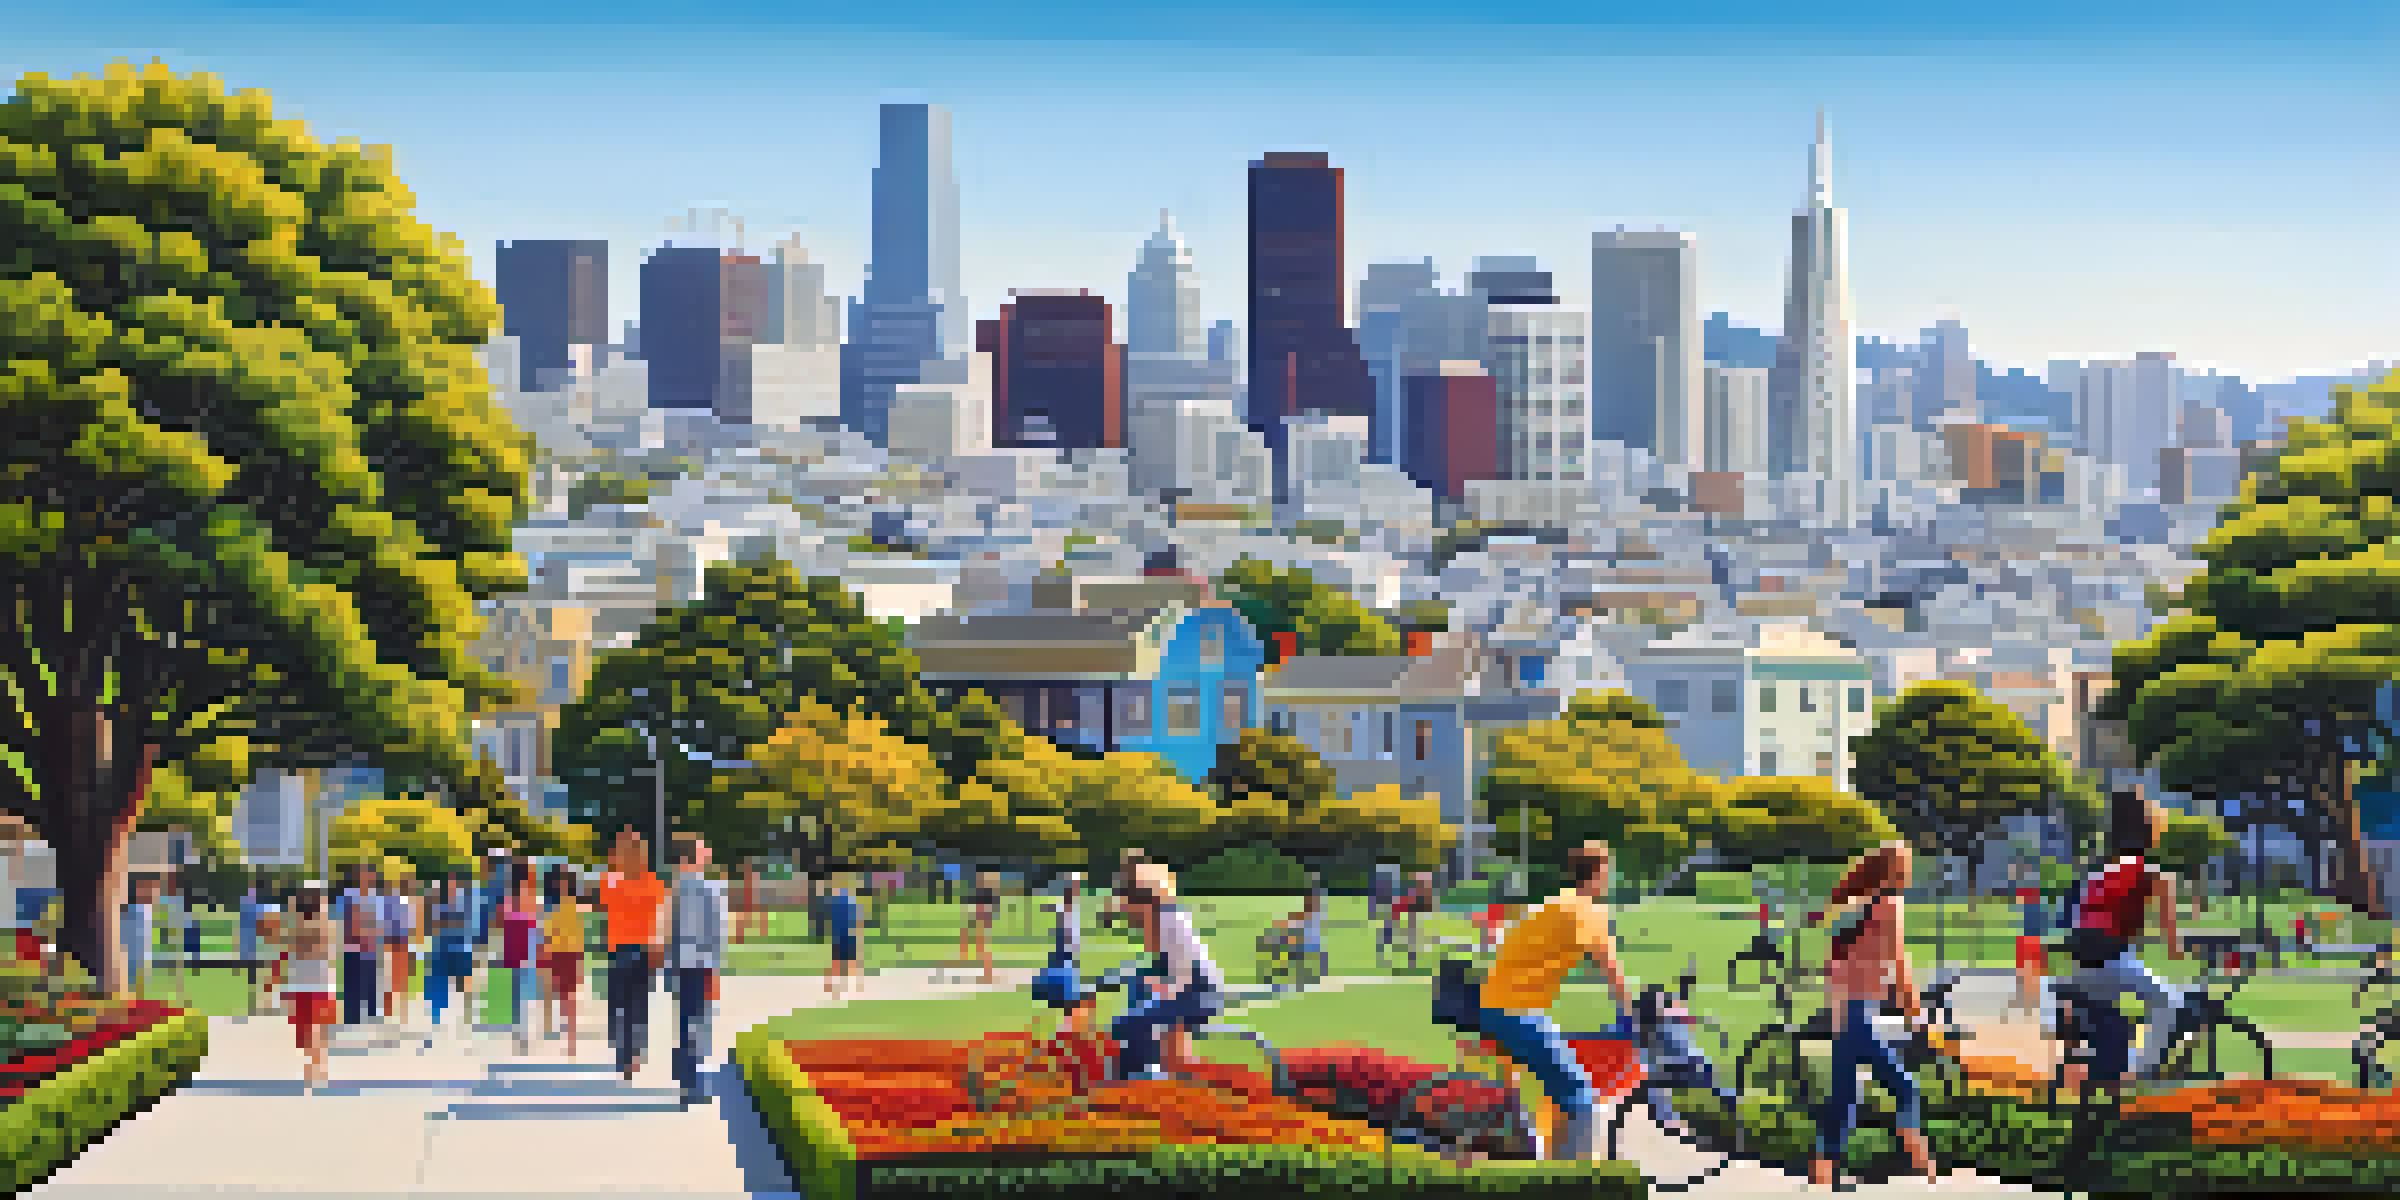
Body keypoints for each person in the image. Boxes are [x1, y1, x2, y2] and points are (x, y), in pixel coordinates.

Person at [1478, 841, 1636, 1162]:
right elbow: (1614, 977)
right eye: (1608, 869)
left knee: (1532, 1094)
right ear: (1599, 872)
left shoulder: (1555, 901)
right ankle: (1567, 1179)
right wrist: (1638, 1011)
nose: (1610, 877)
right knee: (1581, 1096)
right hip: (1517, 1011)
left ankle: (1536, 1153)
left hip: (1495, 1004)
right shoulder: (1590, 912)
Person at [1805, 842, 1939, 1187]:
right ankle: (1923, 1166)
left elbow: (1831, 966)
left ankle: (1821, 1176)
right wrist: (1916, 1014)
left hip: (1841, 1013)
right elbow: (1899, 964)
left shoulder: (1849, 909)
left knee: (1844, 1098)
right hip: (1860, 1014)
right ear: (1895, 871)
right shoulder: (1891, 906)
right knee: (1905, 1087)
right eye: (1906, 866)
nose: (1909, 873)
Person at [2046, 789, 2184, 1087]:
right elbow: (2172, 941)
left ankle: (2106, 1076)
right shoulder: (2154, 874)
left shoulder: (2098, 871)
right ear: (2149, 829)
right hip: (2110, 962)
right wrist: (2187, 948)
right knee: (2169, 1003)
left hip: (2080, 962)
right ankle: (2140, 1075)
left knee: (2111, 1027)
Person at [1111, 862, 1225, 1081]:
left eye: (1129, 903)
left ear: (1144, 902)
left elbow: (1183, 978)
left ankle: (1140, 1076)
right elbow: (1166, 970)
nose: (1127, 912)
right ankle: (1147, 1069)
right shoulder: (1161, 920)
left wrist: (1157, 989)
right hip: (1192, 990)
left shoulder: (1169, 922)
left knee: (1129, 1022)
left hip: (1200, 994)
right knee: (1136, 996)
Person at [597, 831, 667, 1083]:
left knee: (619, 1006)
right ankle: (633, 1053)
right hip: (644, 950)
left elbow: (605, 900)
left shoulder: (612, 880)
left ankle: (625, 1056)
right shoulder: (654, 883)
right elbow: (661, 919)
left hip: (622, 951)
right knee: (638, 1006)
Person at [666, 833, 730, 1107]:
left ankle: (684, 1080)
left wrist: (670, 967)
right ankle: (694, 1083)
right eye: (705, 850)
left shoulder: (676, 891)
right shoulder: (712, 889)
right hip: (703, 964)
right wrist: (716, 970)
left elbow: (670, 933)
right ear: (696, 857)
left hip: (682, 964)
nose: (709, 853)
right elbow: (718, 934)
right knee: (700, 1023)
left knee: (683, 1022)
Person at [280, 882, 338, 1092]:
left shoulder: (297, 927)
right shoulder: (325, 924)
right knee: (318, 1027)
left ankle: (313, 1066)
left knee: (306, 1028)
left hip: (303, 981)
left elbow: (289, 950)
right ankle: (318, 1065)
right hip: (320, 981)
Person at [1033, 873, 1095, 1034]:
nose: (1075, 890)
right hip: (1064, 953)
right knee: (1065, 985)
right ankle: (1064, 1018)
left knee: (1067, 985)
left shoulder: (1073, 908)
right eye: (1073, 886)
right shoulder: (1065, 907)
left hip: (1067, 954)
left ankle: (1066, 1020)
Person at [540, 866, 587, 1056]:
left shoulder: (573, 908)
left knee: (569, 997)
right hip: (557, 954)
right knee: (553, 992)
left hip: (568, 955)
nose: (562, 886)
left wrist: (580, 960)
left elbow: (579, 936)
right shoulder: (554, 908)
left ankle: (570, 1038)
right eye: (560, 882)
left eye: (566, 882)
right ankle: (552, 1027)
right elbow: (548, 934)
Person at [425, 871, 476, 1036]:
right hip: (442, 948)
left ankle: (457, 1020)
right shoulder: (438, 903)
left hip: (457, 948)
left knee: (461, 986)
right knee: (439, 984)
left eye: (456, 883)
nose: (453, 886)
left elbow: (470, 928)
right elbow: (431, 925)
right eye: (451, 882)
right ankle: (436, 1020)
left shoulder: (465, 903)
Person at [501, 867, 542, 1054]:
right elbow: (534, 926)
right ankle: (521, 1033)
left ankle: (520, 1032)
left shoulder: (510, 901)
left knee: (519, 994)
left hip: (518, 949)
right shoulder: (528, 900)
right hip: (523, 949)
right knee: (522, 993)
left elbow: (504, 926)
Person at [337, 864, 382, 1027]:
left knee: (370, 982)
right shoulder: (348, 896)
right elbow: (343, 921)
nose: (367, 879)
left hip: (370, 948)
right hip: (352, 948)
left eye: (370, 876)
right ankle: (351, 1017)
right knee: (352, 984)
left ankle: (371, 1016)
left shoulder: (375, 897)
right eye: (364, 876)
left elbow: (379, 923)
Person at [383, 870, 419, 1026]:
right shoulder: (390, 901)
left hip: (406, 944)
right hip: (393, 943)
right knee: (391, 976)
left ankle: (401, 1009)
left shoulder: (415, 901)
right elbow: (385, 923)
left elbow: (418, 924)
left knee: (403, 976)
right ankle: (390, 1009)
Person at [2015, 865, 2049, 1014]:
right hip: (2029, 935)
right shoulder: (2036, 896)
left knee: (2030, 965)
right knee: (2027, 965)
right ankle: (2028, 997)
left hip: (2032, 936)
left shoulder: (2033, 896)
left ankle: (2030, 998)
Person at [822, 874, 861, 996]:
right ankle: (844, 986)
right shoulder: (845, 900)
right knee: (844, 961)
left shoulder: (839, 900)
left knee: (841, 961)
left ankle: (836, 986)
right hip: (843, 934)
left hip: (842, 934)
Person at [120, 874, 156, 998]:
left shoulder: (150, 909)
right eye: (145, 888)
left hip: (143, 953)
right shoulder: (130, 910)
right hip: (131, 953)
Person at [960, 871, 998, 985]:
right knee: (977, 946)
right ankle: (983, 973)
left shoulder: (988, 894)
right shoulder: (981, 893)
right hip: (980, 920)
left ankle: (987, 976)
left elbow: (987, 909)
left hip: (984, 921)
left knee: (984, 948)